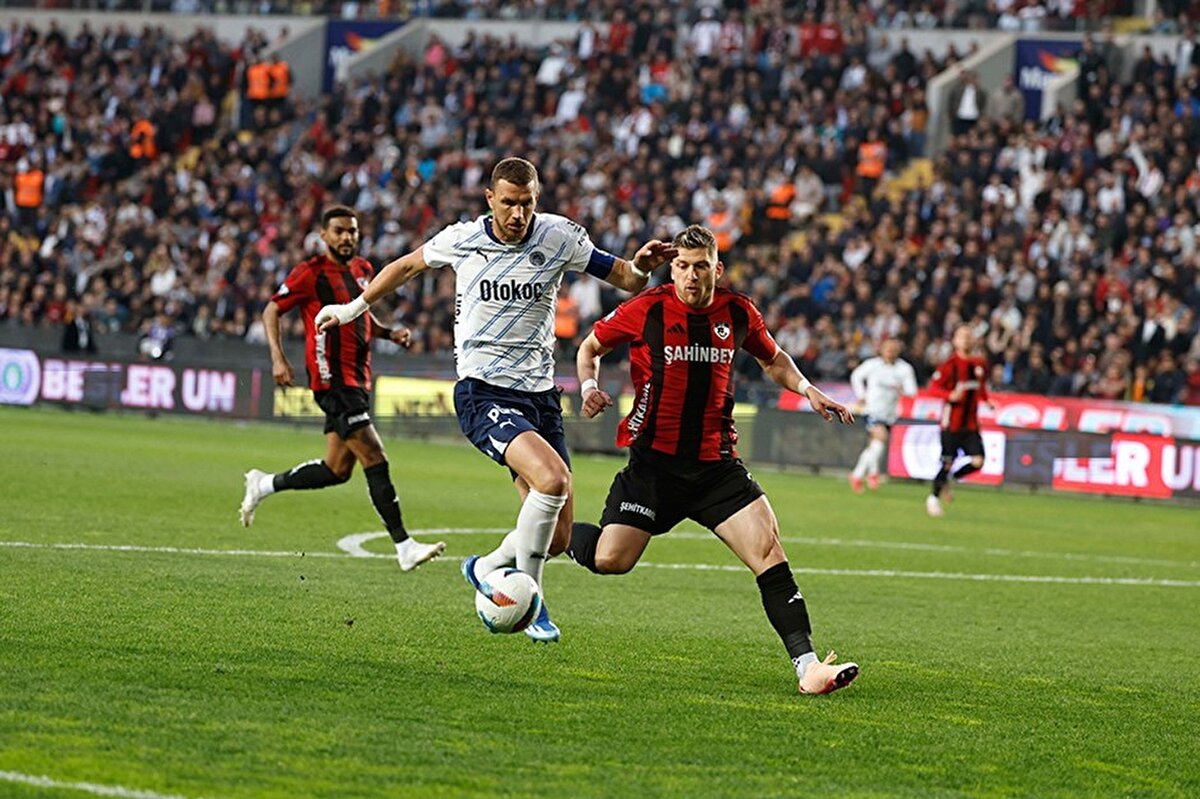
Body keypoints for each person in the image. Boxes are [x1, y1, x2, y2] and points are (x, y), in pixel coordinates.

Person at [315, 157, 676, 643]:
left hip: (540, 397)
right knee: (553, 479)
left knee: (559, 537)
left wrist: (641, 266)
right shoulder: (462, 238)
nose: (518, 213)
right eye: (508, 202)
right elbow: (404, 267)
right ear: (490, 199)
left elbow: (627, 280)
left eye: (527, 203)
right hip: (483, 390)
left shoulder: (558, 236)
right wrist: (351, 308)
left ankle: (484, 566)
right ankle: (536, 606)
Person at [567, 225, 860, 695]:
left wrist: (807, 389)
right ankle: (553, 534)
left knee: (768, 552)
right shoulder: (648, 308)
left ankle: (808, 667)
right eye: (681, 266)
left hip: (715, 467)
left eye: (700, 266)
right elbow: (590, 347)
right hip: (654, 466)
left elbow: (773, 358)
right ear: (672, 268)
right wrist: (588, 387)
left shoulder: (738, 311)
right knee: (610, 559)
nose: (689, 275)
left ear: (716, 269)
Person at [238, 205, 446, 572]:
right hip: (331, 379)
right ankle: (404, 545)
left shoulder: (364, 269)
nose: (347, 237)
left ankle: (263, 484)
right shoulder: (310, 273)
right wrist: (277, 358)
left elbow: (358, 311)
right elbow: (272, 310)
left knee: (337, 469)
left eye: (352, 231)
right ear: (324, 235)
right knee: (375, 456)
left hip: (358, 377)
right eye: (339, 231)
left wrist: (388, 333)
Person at [926, 325, 995, 517]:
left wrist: (988, 401)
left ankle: (951, 479)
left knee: (978, 461)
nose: (966, 339)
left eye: (969, 336)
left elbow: (980, 389)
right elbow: (933, 388)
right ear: (955, 341)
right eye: (962, 336)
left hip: (971, 425)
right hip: (952, 424)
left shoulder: (979, 364)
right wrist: (949, 395)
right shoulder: (950, 365)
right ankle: (932, 499)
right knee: (947, 462)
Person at [847, 337, 918, 493]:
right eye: (888, 348)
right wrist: (862, 394)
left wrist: (903, 390)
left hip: (890, 414)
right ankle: (859, 475)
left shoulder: (904, 369)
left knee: (875, 445)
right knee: (880, 440)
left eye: (894, 348)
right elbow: (856, 376)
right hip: (872, 410)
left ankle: (871, 473)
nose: (890, 351)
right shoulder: (872, 365)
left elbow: (912, 390)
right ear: (881, 349)